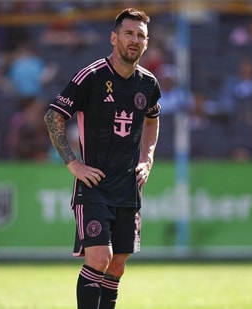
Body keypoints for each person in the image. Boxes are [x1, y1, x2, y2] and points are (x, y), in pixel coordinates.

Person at [43, 8, 160, 309]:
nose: (134, 40)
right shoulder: (91, 77)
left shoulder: (149, 85)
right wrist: (73, 164)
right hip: (93, 185)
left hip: (128, 186)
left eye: (140, 36)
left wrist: (147, 158)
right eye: (128, 33)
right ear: (113, 38)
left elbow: (151, 120)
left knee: (117, 264)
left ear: (146, 43)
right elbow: (53, 116)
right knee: (99, 257)